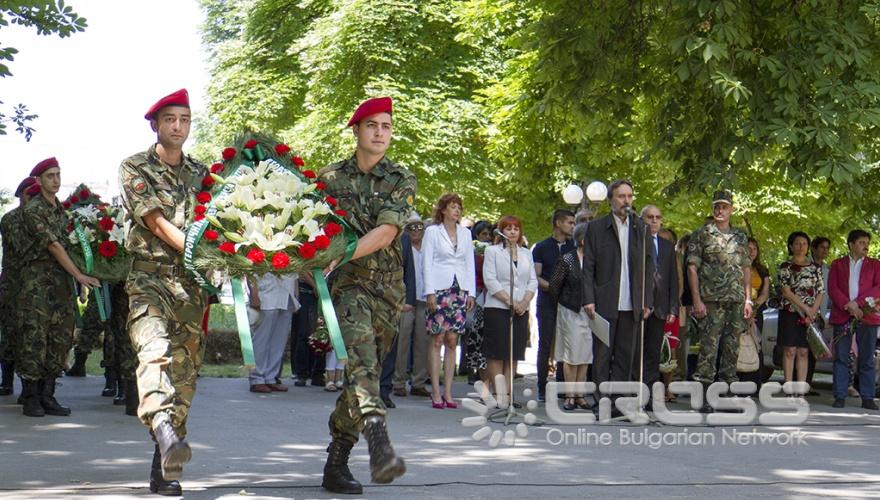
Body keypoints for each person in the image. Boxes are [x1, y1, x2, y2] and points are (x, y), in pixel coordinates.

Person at [317, 97, 415, 494]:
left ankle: (337, 458)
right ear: (356, 130)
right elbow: (309, 230)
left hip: (388, 290)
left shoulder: (401, 178)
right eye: (372, 125)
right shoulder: (328, 179)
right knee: (362, 361)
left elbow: (388, 232)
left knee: (362, 375)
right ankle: (377, 435)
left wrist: (340, 251)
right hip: (348, 285)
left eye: (386, 126)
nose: (379, 133)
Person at [118, 89, 208, 495]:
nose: (178, 126)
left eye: (184, 119)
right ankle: (162, 429)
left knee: (184, 375)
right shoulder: (134, 167)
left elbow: (220, 223)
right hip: (149, 279)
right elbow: (155, 221)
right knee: (154, 353)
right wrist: (196, 248)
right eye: (170, 119)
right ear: (155, 124)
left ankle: (164, 463)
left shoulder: (204, 174)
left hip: (191, 286)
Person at [18, 158, 101, 419]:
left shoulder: (63, 213)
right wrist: (78, 274)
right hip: (37, 286)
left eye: (58, 175)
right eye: (50, 176)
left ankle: (48, 395)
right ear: (39, 181)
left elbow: (76, 246)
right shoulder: (33, 210)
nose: (56, 180)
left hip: (61, 286)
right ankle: (31, 396)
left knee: (59, 338)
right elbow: (54, 245)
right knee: (35, 339)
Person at [582, 180, 654, 404]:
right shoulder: (596, 228)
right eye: (621, 196)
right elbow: (589, 266)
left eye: (630, 196)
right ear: (611, 199)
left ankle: (620, 400)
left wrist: (648, 300)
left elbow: (650, 266)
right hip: (604, 301)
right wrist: (589, 299)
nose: (626, 201)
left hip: (632, 302)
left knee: (626, 354)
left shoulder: (641, 228)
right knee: (603, 354)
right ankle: (601, 401)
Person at [687, 190, 751, 413]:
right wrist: (697, 300)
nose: (720, 210)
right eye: (716, 206)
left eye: (724, 206)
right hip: (711, 300)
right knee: (708, 348)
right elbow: (692, 268)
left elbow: (746, 268)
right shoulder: (702, 234)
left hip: (735, 300)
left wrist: (748, 299)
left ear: (732, 209)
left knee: (731, 348)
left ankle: (727, 396)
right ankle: (703, 396)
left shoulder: (740, 237)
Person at [422, 193, 476, 409]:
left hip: (459, 289)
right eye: (453, 207)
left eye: (459, 207)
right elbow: (427, 262)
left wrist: (470, 292)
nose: (457, 211)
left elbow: (469, 263)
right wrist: (429, 292)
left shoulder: (465, 233)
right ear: (443, 209)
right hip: (439, 287)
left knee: (453, 340)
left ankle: (449, 391)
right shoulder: (432, 232)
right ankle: (435, 390)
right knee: (437, 339)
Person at [482, 215, 538, 401]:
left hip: (521, 308)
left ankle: (508, 394)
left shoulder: (526, 253)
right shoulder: (493, 251)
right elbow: (490, 279)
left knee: (513, 353)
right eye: (508, 228)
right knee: (498, 352)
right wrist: (510, 301)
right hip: (498, 307)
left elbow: (532, 280)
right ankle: (498, 394)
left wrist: (524, 302)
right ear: (501, 232)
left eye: (516, 228)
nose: (512, 231)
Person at [827, 229, 880, 410]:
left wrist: (857, 304)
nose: (866, 246)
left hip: (867, 316)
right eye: (861, 242)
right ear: (851, 244)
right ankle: (840, 395)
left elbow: (878, 287)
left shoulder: (875, 265)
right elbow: (832, 289)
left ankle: (867, 397)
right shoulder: (837, 264)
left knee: (866, 358)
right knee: (841, 357)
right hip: (843, 315)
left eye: (867, 243)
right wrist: (848, 305)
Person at [547, 222, 592, 410]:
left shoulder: (594, 260)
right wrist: (565, 303)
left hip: (590, 313)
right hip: (570, 311)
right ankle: (569, 395)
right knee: (571, 354)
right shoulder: (567, 259)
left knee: (585, 355)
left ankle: (580, 395)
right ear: (582, 240)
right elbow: (554, 286)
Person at [532, 209, 575, 402]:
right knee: (546, 343)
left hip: (568, 302)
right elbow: (536, 275)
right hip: (547, 301)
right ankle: (542, 387)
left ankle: (561, 386)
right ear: (558, 223)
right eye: (569, 223)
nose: (572, 226)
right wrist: (552, 287)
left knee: (566, 345)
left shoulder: (573, 247)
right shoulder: (541, 247)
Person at [0, 177, 36, 397]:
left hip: (36, 286)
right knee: (10, 334)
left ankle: (29, 388)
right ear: (23, 195)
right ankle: (7, 380)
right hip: (13, 284)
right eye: (31, 195)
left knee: (31, 336)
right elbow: (24, 248)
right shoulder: (11, 219)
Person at [640, 205, 679, 408]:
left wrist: (673, 307)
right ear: (642, 220)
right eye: (650, 217)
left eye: (658, 217)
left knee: (654, 353)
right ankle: (633, 393)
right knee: (636, 352)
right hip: (637, 308)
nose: (654, 221)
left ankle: (649, 397)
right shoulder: (635, 243)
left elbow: (672, 278)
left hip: (661, 308)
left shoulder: (666, 246)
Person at [378, 213, 418, 409]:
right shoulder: (373, 233)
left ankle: (384, 390)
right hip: (371, 294)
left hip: (395, 299)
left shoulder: (404, 238)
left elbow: (409, 270)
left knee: (391, 345)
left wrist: (409, 299)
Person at [777, 232, 825, 390]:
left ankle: (801, 389)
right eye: (797, 243)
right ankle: (789, 386)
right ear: (791, 246)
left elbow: (820, 291)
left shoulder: (815, 268)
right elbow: (786, 291)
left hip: (810, 315)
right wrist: (805, 308)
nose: (801, 247)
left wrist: (813, 311)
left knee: (804, 352)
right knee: (790, 350)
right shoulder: (785, 267)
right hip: (790, 313)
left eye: (804, 244)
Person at [392, 215, 431, 398]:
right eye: (412, 228)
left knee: (423, 342)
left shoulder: (429, 248)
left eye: (419, 227)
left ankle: (419, 382)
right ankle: (398, 381)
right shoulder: (403, 247)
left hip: (425, 299)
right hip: (407, 300)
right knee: (402, 342)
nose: (416, 231)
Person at [247, 273, 298, 393]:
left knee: (279, 340)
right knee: (261, 339)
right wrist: (253, 292)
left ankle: (271, 377)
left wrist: (295, 291)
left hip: (286, 291)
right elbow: (249, 267)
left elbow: (296, 264)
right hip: (266, 291)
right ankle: (257, 378)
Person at [739, 237, 770, 386]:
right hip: (739, 309)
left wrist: (754, 307)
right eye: (748, 248)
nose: (751, 251)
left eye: (754, 249)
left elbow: (765, 293)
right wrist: (745, 307)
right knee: (739, 344)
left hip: (756, 310)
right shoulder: (736, 267)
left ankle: (754, 383)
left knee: (755, 344)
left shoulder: (762, 270)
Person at [464, 220, 492, 385]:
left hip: (486, 295)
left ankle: (481, 369)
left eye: (488, 234)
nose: (487, 238)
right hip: (473, 293)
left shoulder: (491, 251)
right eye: (484, 234)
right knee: (469, 331)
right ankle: (469, 370)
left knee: (482, 334)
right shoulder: (472, 251)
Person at [289, 273, 325, 387]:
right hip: (306, 292)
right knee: (304, 333)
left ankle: (318, 373)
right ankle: (302, 373)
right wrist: (315, 285)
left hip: (325, 291)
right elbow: (302, 269)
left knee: (323, 333)